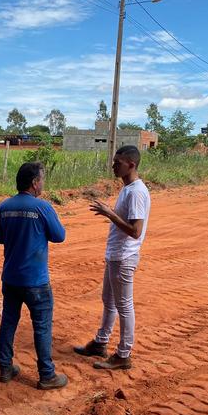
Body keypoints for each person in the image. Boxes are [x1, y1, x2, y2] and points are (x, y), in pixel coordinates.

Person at [0, 162, 68, 390]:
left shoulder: (4, 207)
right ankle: (47, 375)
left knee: (8, 322)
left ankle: (5, 368)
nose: (43, 183)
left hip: (11, 278)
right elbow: (59, 236)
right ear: (34, 183)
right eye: (42, 179)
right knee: (42, 326)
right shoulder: (42, 207)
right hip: (36, 281)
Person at [74, 145, 151, 370]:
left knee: (124, 306)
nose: (113, 166)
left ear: (131, 164)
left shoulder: (136, 191)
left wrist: (110, 214)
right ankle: (100, 342)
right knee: (109, 301)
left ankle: (124, 354)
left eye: (118, 162)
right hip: (116, 255)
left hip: (124, 257)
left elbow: (135, 231)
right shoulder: (128, 188)